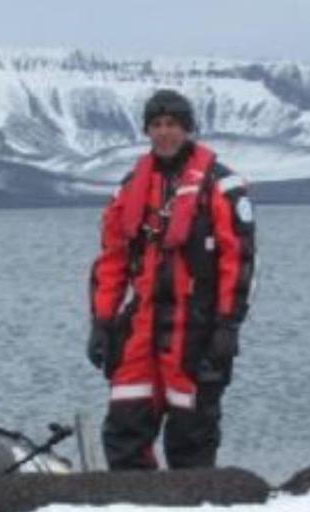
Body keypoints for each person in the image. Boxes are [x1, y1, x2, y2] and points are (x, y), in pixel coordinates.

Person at [87, 89, 256, 470]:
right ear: (147, 130)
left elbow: (239, 261)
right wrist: (101, 323)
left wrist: (228, 326)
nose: (165, 133)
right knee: (124, 426)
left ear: (187, 129)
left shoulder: (221, 186)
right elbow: (111, 261)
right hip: (141, 324)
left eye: (173, 125)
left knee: (191, 432)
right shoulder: (131, 188)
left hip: (195, 326)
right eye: (157, 125)